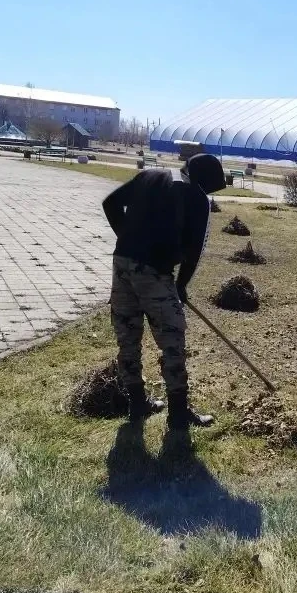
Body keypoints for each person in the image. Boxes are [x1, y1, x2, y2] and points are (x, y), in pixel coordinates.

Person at [102, 153, 226, 428]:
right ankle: (178, 413)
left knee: (128, 336)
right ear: (206, 180)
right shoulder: (197, 197)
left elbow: (110, 203)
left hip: (122, 264)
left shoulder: (150, 175)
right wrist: (180, 286)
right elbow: (194, 252)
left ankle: (137, 404)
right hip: (154, 273)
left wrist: (128, 240)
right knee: (172, 339)